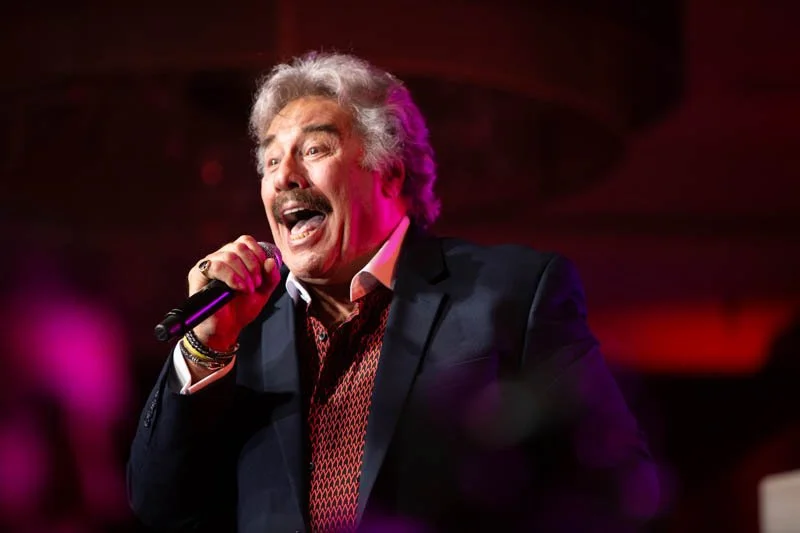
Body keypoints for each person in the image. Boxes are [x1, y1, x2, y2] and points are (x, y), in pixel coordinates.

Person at [127, 52, 659, 533]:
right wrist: (206, 346)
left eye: (314, 149)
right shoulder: (241, 328)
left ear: (389, 172)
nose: (284, 176)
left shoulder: (514, 292)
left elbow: (614, 490)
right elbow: (161, 507)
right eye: (269, 161)